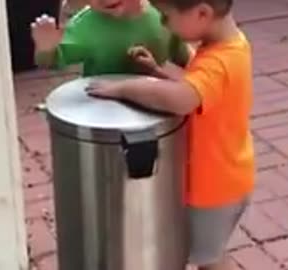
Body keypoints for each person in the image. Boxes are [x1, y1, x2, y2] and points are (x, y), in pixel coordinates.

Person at [86, 1, 254, 270]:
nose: (163, 24)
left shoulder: (219, 62)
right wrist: (157, 71)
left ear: (202, 13)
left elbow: (181, 100)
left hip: (214, 188)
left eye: (166, 16)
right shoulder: (231, 45)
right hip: (230, 174)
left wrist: (125, 89)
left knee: (211, 260)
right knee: (209, 253)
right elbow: (198, 86)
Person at [30, 0, 190, 77]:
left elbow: (185, 59)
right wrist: (45, 48)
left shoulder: (164, 10)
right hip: (106, 116)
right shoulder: (86, 26)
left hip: (162, 108)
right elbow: (50, 61)